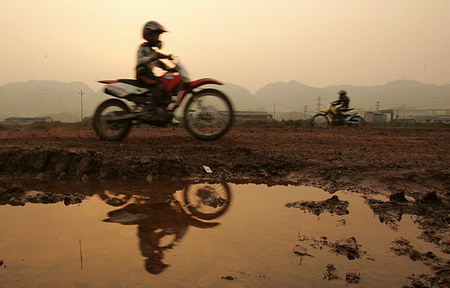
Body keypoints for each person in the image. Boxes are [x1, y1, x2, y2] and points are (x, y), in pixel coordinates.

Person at [136, 20, 174, 117]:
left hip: (149, 74)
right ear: (149, 35)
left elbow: (157, 62)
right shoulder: (143, 48)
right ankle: (150, 110)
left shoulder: (151, 50)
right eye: (157, 35)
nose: (158, 38)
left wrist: (169, 67)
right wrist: (151, 58)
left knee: (165, 83)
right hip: (142, 74)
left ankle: (161, 109)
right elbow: (140, 61)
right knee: (158, 84)